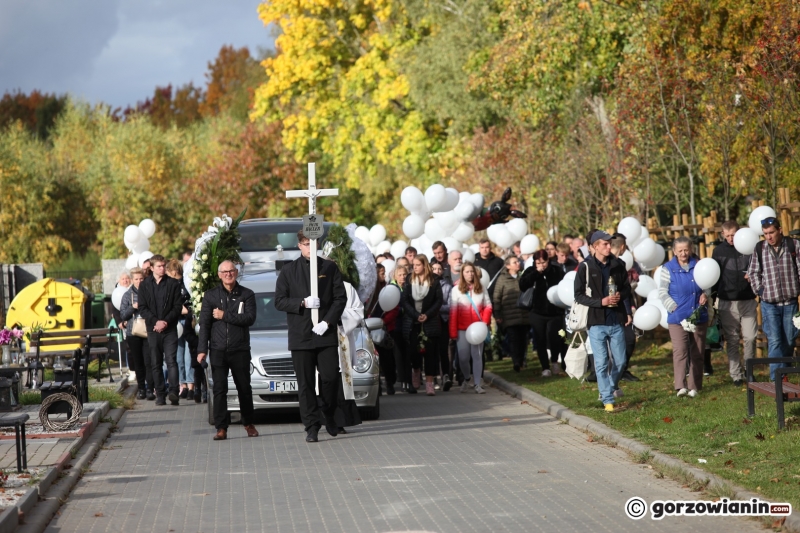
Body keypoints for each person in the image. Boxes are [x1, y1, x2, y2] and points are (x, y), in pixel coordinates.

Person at [275, 231, 347, 442]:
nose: (309, 247)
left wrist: (327, 321)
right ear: (299, 245)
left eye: (313, 243)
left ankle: (328, 412)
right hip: (301, 334)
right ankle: (311, 426)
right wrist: (302, 302)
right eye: (306, 244)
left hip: (324, 333)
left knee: (330, 378)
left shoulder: (329, 267)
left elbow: (340, 298)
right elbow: (279, 301)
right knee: (305, 384)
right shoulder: (289, 270)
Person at [197, 260, 258, 440]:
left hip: (240, 349)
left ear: (236, 272)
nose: (228, 274)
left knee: (244, 388)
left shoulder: (247, 294)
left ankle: (248, 423)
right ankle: (221, 428)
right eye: (224, 272)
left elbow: (249, 318)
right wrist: (202, 349)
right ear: (219, 275)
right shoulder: (211, 296)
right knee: (219, 389)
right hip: (218, 349)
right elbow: (205, 324)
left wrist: (225, 315)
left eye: (231, 271)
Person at [574, 231, 632, 412]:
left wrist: (620, 296)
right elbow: (578, 295)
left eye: (610, 243)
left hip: (616, 320)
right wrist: (601, 302)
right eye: (605, 244)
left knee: (621, 362)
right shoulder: (586, 267)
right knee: (601, 363)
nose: (609, 247)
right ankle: (607, 400)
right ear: (595, 247)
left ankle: (610, 387)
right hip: (596, 322)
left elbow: (627, 288)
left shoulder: (618, 264)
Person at [747, 216, 800, 382]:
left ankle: (784, 371)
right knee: (775, 340)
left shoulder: (794, 245)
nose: (768, 237)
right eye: (765, 234)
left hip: (790, 302)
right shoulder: (760, 248)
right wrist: (760, 290)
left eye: (771, 233)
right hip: (769, 303)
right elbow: (753, 272)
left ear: (780, 230)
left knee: (789, 339)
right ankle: (777, 378)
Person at [659, 237, 709, 397]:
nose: (683, 253)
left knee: (697, 352)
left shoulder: (699, 265)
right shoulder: (668, 268)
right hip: (677, 317)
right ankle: (680, 386)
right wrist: (674, 308)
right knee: (680, 351)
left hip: (698, 315)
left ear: (691, 249)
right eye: (680, 250)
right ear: (674, 251)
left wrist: (705, 295)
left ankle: (694, 386)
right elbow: (662, 292)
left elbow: (707, 284)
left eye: (686, 250)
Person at [712, 220, 758, 386]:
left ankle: (749, 370)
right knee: (732, 339)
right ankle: (736, 374)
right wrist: (713, 297)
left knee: (750, 337)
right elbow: (713, 275)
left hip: (748, 299)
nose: (731, 238)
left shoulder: (750, 247)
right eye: (728, 235)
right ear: (723, 234)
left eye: (734, 235)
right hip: (727, 301)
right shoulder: (718, 251)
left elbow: (758, 267)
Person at [138, 254, 184, 406]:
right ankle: (160, 395)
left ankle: (174, 392)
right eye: (159, 266)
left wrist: (165, 322)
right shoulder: (145, 285)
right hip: (153, 329)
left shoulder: (173, 283)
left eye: (164, 266)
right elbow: (142, 308)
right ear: (151, 268)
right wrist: (155, 322)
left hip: (169, 328)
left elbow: (177, 307)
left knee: (171, 361)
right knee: (156, 363)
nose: (162, 268)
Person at [401, 255, 444, 396]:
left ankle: (429, 383)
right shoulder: (409, 279)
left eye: (418, 265)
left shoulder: (434, 280)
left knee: (430, 353)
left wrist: (427, 315)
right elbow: (404, 300)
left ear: (424, 265)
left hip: (430, 322)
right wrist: (415, 315)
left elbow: (439, 300)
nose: (415, 267)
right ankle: (416, 370)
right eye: (413, 265)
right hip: (413, 322)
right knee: (414, 352)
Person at [519, 250, 566, 375]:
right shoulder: (530, 271)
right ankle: (545, 367)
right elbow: (522, 285)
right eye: (538, 263)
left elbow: (563, 285)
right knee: (540, 339)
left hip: (554, 311)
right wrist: (536, 273)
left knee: (554, 338)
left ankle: (555, 361)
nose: (542, 265)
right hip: (537, 311)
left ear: (548, 260)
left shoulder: (556, 270)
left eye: (544, 262)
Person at [450, 262, 492, 393]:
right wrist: (453, 332)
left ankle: (477, 383)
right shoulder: (456, 290)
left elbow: (488, 306)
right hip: (462, 329)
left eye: (472, 271)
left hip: (478, 328)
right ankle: (467, 378)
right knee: (463, 358)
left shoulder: (482, 288)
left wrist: (484, 323)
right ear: (462, 274)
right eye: (467, 272)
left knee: (477, 356)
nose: (470, 274)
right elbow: (453, 312)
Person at [119, 268, 153, 400]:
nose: (139, 281)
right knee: (138, 362)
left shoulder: (149, 292)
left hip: (147, 330)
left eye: (141, 279)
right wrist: (133, 307)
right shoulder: (127, 295)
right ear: (132, 280)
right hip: (133, 332)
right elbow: (123, 315)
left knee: (148, 361)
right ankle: (141, 389)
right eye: (136, 279)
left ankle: (150, 389)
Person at [609, 235, 639, 383]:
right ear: (622, 246)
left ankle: (620, 371)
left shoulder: (620, 264)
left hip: (621, 309)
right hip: (608, 310)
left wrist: (628, 311)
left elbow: (624, 291)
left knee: (629, 339)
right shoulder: (606, 264)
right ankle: (613, 375)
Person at [493, 256, 529, 372]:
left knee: (523, 340)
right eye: (514, 262)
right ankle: (516, 362)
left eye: (518, 261)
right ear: (508, 266)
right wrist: (497, 314)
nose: (518, 263)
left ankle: (522, 360)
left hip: (523, 315)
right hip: (509, 315)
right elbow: (497, 297)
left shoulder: (522, 277)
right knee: (514, 339)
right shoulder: (502, 279)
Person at [166, 259, 194, 399]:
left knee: (189, 357)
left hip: (187, 322)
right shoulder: (168, 285)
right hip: (175, 323)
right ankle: (182, 385)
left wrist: (187, 310)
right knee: (178, 357)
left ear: (174, 272)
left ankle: (191, 385)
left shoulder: (186, 283)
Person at [384, 265, 409, 393]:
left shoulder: (408, 287)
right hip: (395, 325)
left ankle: (407, 380)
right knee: (397, 354)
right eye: (400, 275)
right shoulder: (391, 288)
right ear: (395, 276)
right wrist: (404, 310)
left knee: (407, 353)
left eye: (404, 274)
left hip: (407, 324)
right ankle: (400, 379)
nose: (402, 277)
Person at [431, 262, 453, 391]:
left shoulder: (447, 286)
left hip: (443, 321)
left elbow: (450, 306)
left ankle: (445, 375)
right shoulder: (426, 284)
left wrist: (437, 308)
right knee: (432, 350)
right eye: (434, 268)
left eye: (439, 269)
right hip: (430, 321)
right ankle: (433, 377)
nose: (437, 271)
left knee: (443, 350)